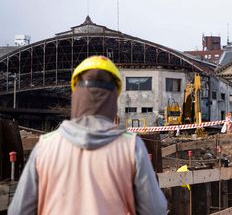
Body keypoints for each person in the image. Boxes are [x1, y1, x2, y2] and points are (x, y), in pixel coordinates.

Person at [9, 56, 167, 215]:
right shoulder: (131, 147)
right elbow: (155, 209)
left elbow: (18, 210)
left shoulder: (45, 146)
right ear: (114, 96)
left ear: (76, 93)